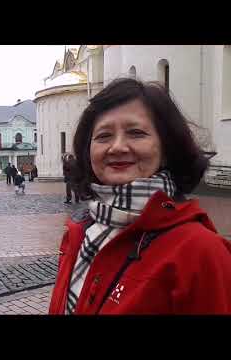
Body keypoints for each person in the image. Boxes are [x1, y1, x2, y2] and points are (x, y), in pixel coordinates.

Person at [49, 78, 231, 315]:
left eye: (136, 133)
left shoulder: (200, 252)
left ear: (167, 148)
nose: (117, 147)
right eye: (103, 136)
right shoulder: (80, 232)